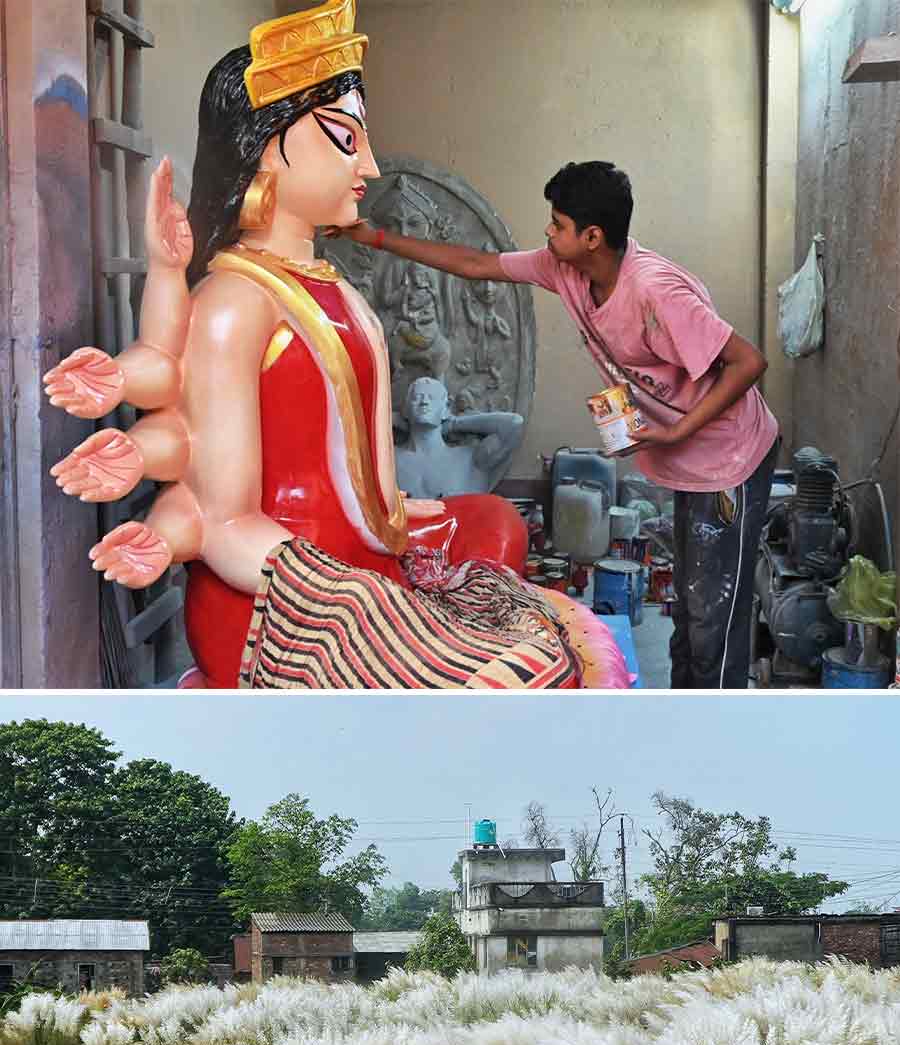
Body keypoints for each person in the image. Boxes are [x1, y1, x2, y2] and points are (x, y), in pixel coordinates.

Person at [44, 5, 629, 691]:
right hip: (285, 595)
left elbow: (352, 454)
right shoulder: (235, 303)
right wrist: (348, 593)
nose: (370, 165)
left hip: (364, 556)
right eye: (345, 139)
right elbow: (225, 519)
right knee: (525, 672)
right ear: (267, 146)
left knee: (496, 526)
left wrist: (390, 510)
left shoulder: (331, 285)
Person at [334, 160, 779, 689]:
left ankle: (718, 739)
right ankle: (679, 719)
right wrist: (376, 237)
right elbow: (476, 265)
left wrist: (677, 433)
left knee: (716, 618)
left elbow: (748, 362)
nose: (549, 232)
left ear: (593, 237)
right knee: (689, 605)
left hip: (730, 457)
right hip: (688, 457)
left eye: (559, 223)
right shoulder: (566, 268)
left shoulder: (657, 292)